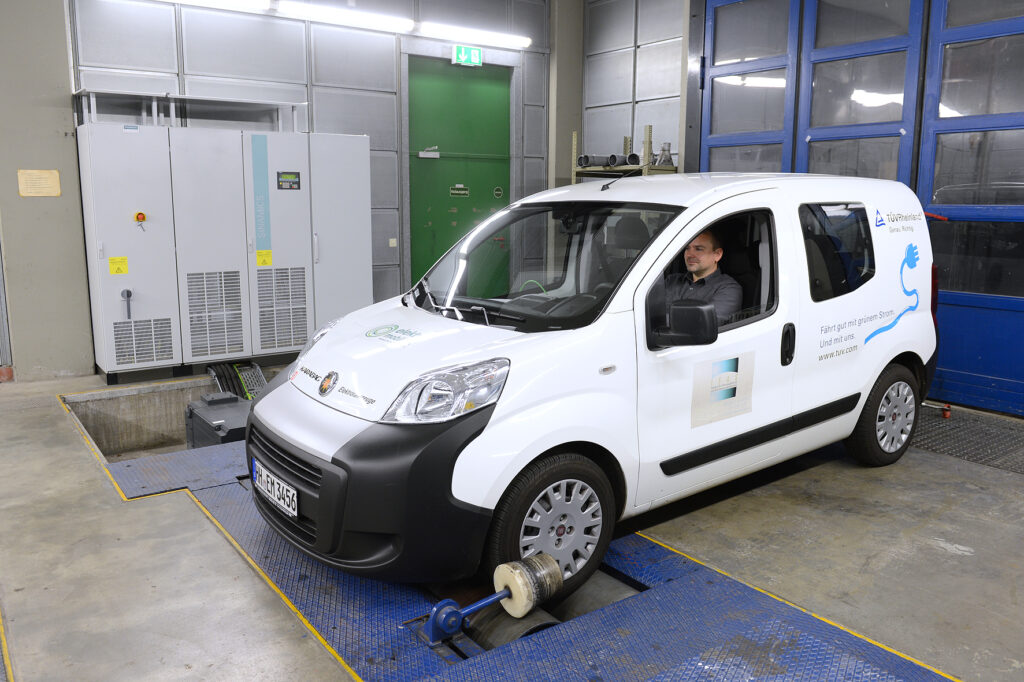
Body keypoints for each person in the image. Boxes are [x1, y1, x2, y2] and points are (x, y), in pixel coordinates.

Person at [664, 228, 742, 324]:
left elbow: (703, 323)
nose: (690, 254)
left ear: (717, 254)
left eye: (699, 249)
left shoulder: (728, 289)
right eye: (687, 248)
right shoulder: (671, 280)